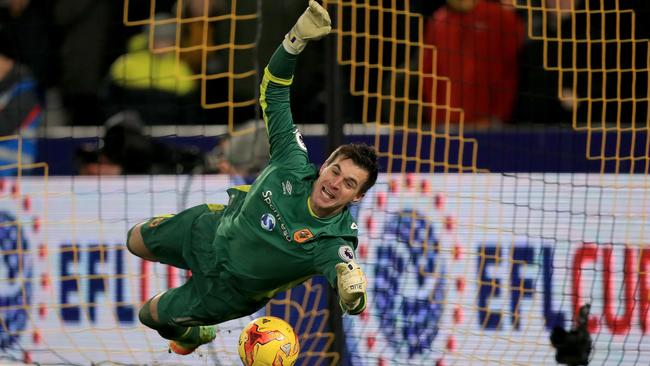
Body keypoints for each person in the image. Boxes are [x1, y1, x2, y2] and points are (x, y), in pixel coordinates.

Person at [125, 0, 378, 356]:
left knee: (149, 314)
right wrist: (294, 41)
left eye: (349, 184)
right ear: (324, 166)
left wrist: (354, 294)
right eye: (335, 170)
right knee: (133, 240)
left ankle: (193, 334)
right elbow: (274, 92)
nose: (336, 183)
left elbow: (351, 293)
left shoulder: (332, 240)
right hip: (210, 230)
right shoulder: (292, 161)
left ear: (356, 198)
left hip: (227, 293)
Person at [422, 0, 525, 127]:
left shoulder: (502, 18)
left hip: (489, 125)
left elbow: (511, 70)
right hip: (448, 126)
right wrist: (438, 117)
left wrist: (498, 116)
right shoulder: (438, 22)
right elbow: (429, 75)